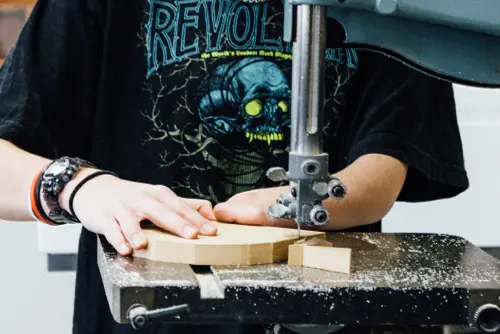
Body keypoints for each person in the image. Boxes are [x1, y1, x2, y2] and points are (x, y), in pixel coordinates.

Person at [0, 0, 469, 333]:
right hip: (145, 317)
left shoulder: (390, 6)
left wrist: (298, 204)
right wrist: (80, 187)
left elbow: (388, 160)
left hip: (322, 314)